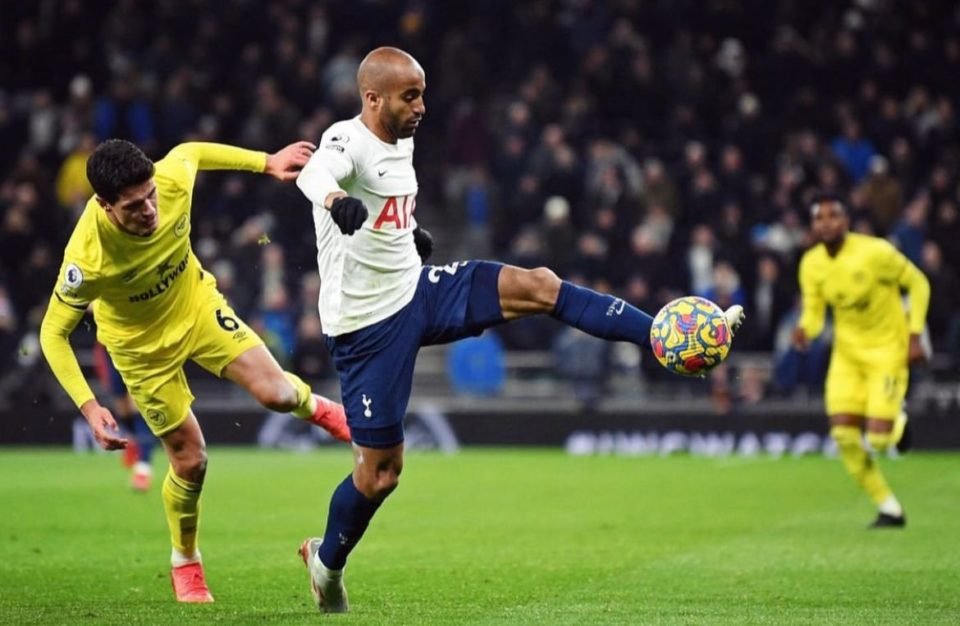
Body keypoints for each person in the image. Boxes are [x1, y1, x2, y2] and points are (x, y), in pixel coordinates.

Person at [294, 46, 746, 613]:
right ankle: (325, 563)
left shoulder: (402, 137)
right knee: (381, 475)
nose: (422, 106)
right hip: (366, 327)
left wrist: (409, 233)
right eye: (411, 96)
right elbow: (316, 173)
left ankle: (657, 334)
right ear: (372, 98)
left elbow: (385, 205)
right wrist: (336, 199)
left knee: (539, 285)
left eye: (423, 93)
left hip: (418, 289)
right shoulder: (347, 139)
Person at [39, 138, 352, 604]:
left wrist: (268, 163)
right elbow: (51, 335)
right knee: (192, 461)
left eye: (150, 196)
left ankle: (321, 410)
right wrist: (89, 406)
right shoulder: (87, 259)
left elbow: (192, 151)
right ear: (104, 206)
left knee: (278, 394)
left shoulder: (170, 180)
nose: (149, 209)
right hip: (141, 350)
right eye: (133, 205)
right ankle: (185, 560)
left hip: (196, 306)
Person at [792, 194, 930, 529]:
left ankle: (897, 421)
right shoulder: (811, 264)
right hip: (847, 356)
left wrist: (914, 336)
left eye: (832, 216)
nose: (826, 222)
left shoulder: (876, 252)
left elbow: (918, 283)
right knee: (844, 436)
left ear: (846, 221)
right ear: (813, 225)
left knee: (880, 440)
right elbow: (814, 314)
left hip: (887, 350)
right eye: (819, 217)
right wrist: (803, 330)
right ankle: (889, 507)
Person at [92, 341, 157, 491]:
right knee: (122, 409)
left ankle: (143, 468)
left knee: (137, 407)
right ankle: (133, 442)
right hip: (108, 345)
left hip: (135, 345)